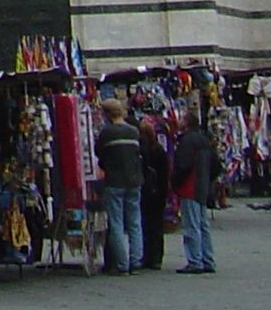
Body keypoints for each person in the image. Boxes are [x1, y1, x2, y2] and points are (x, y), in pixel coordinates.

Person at [93, 99, 143, 272]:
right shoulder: (134, 131)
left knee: (116, 223)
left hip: (115, 180)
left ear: (107, 114)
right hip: (134, 180)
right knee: (134, 222)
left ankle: (122, 264)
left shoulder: (107, 132)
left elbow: (99, 153)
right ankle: (136, 262)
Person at [171, 105, 219, 273]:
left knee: (191, 224)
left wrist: (174, 182)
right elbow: (216, 165)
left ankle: (195, 260)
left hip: (189, 186)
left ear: (186, 123)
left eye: (181, 118)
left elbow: (183, 165)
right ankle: (208, 259)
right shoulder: (204, 139)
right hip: (202, 186)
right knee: (202, 224)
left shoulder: (186, 141)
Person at [138, 111, 169, 270]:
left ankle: (147, 255)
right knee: (157, 225)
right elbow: (165, 172)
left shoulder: (141, 150)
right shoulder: (159, 149)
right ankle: (156, 256)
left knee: (145, 224)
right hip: (158, 191)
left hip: (146, 190)